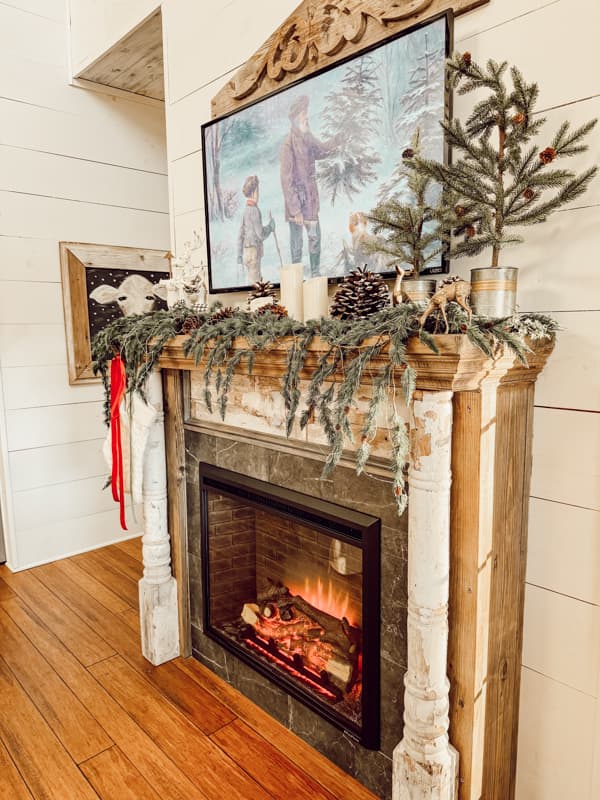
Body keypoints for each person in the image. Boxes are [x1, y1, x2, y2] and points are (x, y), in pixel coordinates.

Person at [280, 95, 339, 276]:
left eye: (306, 112)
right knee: (297, 245)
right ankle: (296, 280)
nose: (306, 116)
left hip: (311, 202)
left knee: (315, 238)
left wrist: (338, 140)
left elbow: (321, 150)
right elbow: (286, 179)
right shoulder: (288, 144)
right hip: (297, 205)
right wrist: (296, 210)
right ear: (296, 116)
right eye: (304, 113)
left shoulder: (307, 136)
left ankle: (315, 276)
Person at [237, 175, 275, 284]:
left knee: (251, 281)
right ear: (254, 192)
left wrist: (239, 255)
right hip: (254, 253)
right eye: (258, 191)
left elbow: (240, 234)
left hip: (246, 253)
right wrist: (270, 227)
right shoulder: (254, 210)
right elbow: (261, 234)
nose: (258, 194)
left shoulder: (245, 211)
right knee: (256, 284)